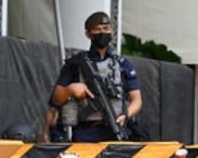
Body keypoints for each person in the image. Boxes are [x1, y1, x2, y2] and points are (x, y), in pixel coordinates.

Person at [50, 12, 142, 142]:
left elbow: (137, 100)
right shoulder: (76, 64)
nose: (102, 32)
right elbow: (56, 99)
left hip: (116, 127)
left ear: (112, 31)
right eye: (97, 29)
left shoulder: (122, 64)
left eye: (106, 29)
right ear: (88, 34)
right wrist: (70, 89)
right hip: (86, 132)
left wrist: (126, 115)